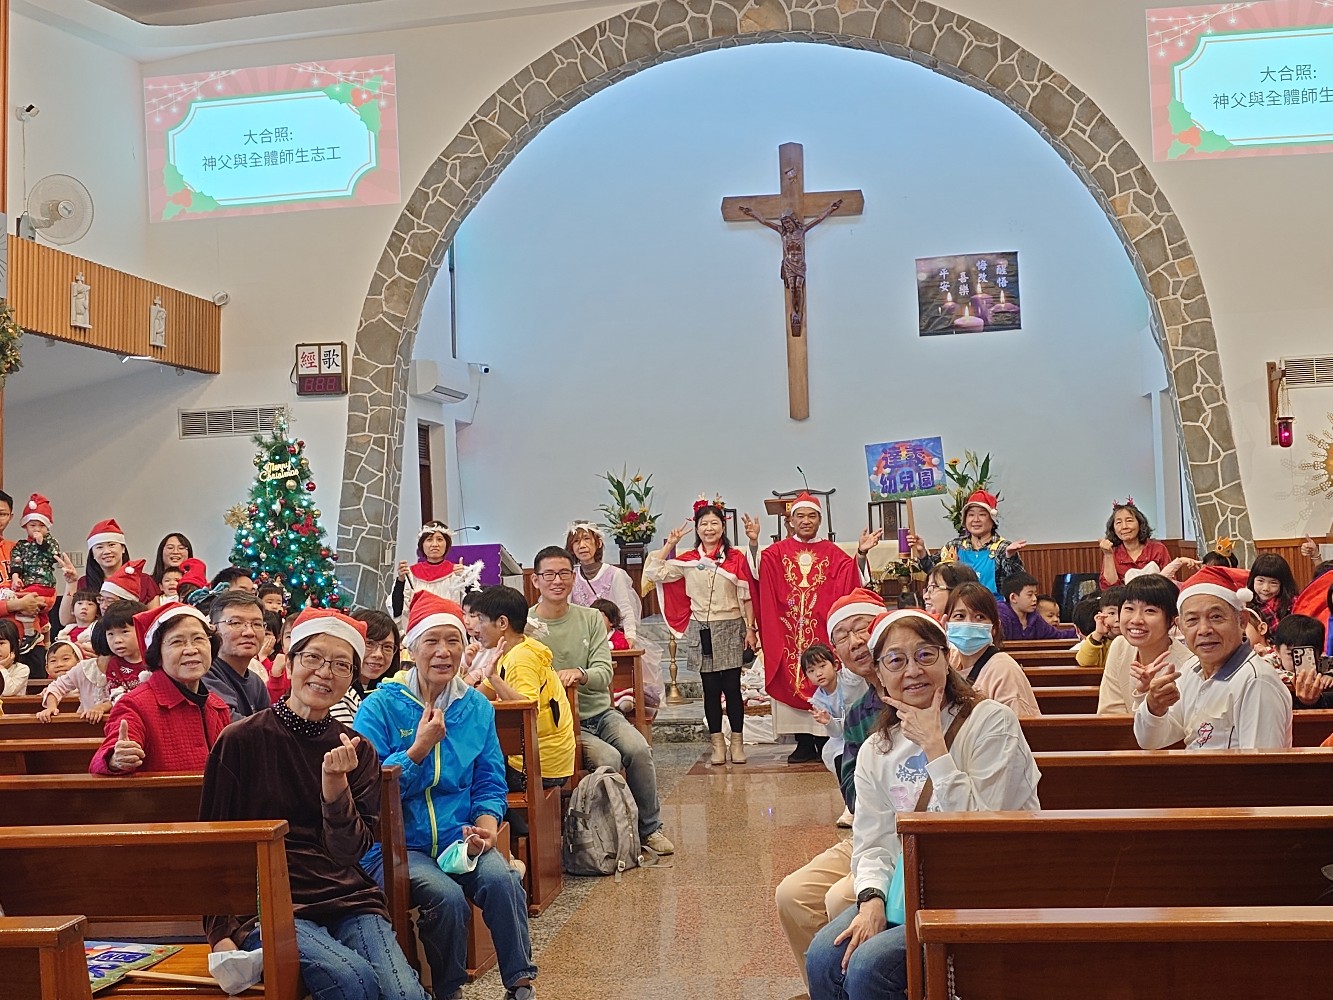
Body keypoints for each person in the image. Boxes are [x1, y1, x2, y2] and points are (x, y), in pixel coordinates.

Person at [805, 608, 1041, 1000]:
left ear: (947, 659)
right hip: (912, 890)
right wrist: (871, 900)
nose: (913, 670)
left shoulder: (992, 723)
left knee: (868, 968)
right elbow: (873, 841)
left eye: (925, 655)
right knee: (822, 959)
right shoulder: (878, 748)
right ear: (879, 675)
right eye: (896, 660)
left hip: (988, 887)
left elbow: (986, 829)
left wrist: (935, 747)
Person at [200, 607, 429, 1000]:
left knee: (404, 992)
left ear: (351, 678)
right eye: (313, 658)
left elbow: (349, 853)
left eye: (341, 665)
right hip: (269, 903)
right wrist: (220, 933)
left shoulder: (357, 749)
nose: (325, 672)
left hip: (349, 898)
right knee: (353, 980)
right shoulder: (241, 740)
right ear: (290, 663)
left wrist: (335, 789)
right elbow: (213, 845)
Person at [354, 592, 536, 1000]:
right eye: (432, 641)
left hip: (459, 837)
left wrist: (486, 827)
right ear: (412, 648)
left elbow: (490, 779)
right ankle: (449, 990)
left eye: (453, 641)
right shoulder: (380, 706)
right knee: (446, 897)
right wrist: (418, 749)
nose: (443, 652)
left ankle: (521, 985)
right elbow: (369, 791)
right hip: (398, 845)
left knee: (503, 879)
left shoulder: (475, 707)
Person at [529, 544, 672, 854]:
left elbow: (604, 672)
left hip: (601, 712)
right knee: (609, 759)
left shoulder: (592, 618)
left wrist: (581, 674)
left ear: (573, 577)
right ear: (535, 580)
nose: (557, 580)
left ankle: (649, 829)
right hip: (562, 723)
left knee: (639, 750)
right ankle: (603, 838)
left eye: (564, 573)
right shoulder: (527, 625)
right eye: (549, 574)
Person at [775, 589, 885, 987]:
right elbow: (853, 795)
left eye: (863, 628)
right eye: (842, 635)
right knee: (791, 894)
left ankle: (857, 986)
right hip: (870, 832)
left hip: (906, 835)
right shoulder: (859, 712)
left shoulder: (916, 690)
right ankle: (823, 988)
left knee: (840, 898)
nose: (855, 641)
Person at [745, 493, 877, 763]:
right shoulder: (776, 552)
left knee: (824, 676)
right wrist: (754, 543)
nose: (806, 521)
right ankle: (803, 743)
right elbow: (757, 572)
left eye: (811, 516)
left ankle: (823, 737)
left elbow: (852, 576)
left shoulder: (833, 554)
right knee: (789, 678)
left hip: (820, 633)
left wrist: (862, 554)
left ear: (820, 520)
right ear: (791, 521)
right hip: (787, 631)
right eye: (800, 516)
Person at [647, 496, 757, 765]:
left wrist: (751, 629)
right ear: (697, 528)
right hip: (702, 630)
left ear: (723, 526)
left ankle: (737, 743)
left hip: (731, 626)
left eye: (714, 523)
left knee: (732, 688)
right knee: (710, 689)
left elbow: (747, 596)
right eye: (704, 524)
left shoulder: (735, 558)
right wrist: (670, 544)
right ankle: (717, 743)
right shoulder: (687, 561)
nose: (709, 528)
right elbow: (653, 572)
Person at [1134, 565, 1293, 750]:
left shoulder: (1256, 681)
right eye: (1192, 620)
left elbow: (1262, 764)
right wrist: (1154, 707)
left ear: (1242, 620)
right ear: (1180, 626)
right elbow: (1150, 741)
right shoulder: (1191, 669)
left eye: (1216, 617)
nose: (1204, 630)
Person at [89, 602, 231, 775]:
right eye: (177, 642)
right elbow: (101, 760)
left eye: (199, 639)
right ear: (157, 654)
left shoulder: (217, 705)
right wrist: (115, 760)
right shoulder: (134, 705)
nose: (191, 650)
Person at [471, 585, 575, 819]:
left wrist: (494, 678)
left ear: (502, 623)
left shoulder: (522, 656)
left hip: (538, 765)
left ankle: (513, 831)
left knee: (470, 779)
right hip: (535, 759)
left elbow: (527, 709)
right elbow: (478, 697)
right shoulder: (511, 651)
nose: (476, 629)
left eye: (481, 620)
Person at [1096, 573, 1192, 715]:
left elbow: (1172, 725)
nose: (1136, 620)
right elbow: (1110, 713)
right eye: (1129, 608)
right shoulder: (1120, 646)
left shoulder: (1187, 666)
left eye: (1150, 611)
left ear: (1172, 620)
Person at [943, 582, 1041, 717]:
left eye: (979, 617)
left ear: (994, 627)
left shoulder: (1004, 671)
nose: (968, 623)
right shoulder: (949, 662)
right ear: (946, 623)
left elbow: (1017, 725)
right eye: (959, 616)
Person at [910, 489, 1025, 599]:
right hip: (959, 607)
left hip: (993, 607)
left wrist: (1010, 556)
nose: (976, 520)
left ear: (992, 519)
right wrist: (922, 552)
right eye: (971, 515)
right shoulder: (955, 545)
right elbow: (935, 572)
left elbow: (1018, 582)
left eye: (982, 515)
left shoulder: (1003, 547)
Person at [388, 521, 483, 633]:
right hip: (420, 630)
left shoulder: (458, 572)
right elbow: (397, 610)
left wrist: (465, 580)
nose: (434, 544)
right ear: (422, 545)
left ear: (447, 544)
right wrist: (401, 580)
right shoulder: (410, 574)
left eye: (439, 539)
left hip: (451, 628)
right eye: (429, 540)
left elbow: (475, 606)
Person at [57, 519, 156, 627]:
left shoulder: (144, 581)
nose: (107, 551)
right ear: (92, 554)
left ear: (123, 548)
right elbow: (66, 621)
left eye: (111, 545)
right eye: (99, 547)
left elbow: (154, 621)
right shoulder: (84, 582)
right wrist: (71, 583)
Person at [567, 520, 640, 646]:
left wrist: (630, 636)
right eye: (576, 541)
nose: (582, 545)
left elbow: (626, 607)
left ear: (598, 543)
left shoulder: (615, 574)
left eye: (586, 539)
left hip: (611, 638)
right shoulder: (570, 576)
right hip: (581, 640)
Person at [802, 642, 866, 782]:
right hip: (845, 739)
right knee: (840, 762)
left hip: (868, 728)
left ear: (835, 665)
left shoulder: (849, 678)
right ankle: (848, 794)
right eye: (811, 671)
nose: (818, 673)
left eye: (822, 666)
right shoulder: (818, 700)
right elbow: (836, 733)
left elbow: (857, 667)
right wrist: (828, 722)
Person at [205, 591, 272, 719]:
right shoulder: (205, 674)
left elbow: (269, 724)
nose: (249, 632)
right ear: (213, 629)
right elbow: (227, 721)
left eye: (257, 624)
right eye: (236, 623)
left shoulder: (256, 682)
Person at [329, 609, 399, 725]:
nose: (378, 654)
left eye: (387, 647)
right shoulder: (338, 693)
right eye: (369, 643)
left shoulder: (394, 693)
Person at [9, 493, 61, 645]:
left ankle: (31, 634)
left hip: (44, 584)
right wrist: (15, 578)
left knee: (23, 603)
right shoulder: (20, 545)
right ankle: (44, 633)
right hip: (27, 583)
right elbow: (16, 562)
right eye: (32, 525)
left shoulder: (50, 542)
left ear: (47, 526)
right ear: (25, 526)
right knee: (34, 609)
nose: (37, 529)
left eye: (41, 525)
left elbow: (54, 557)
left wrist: (42, 543)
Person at [1099, 499, 1173, 588]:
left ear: (1140, 523)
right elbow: (1109, 589)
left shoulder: (1158, 549)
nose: (1124, 527)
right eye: (1118, 523)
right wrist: (1108, 555)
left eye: (1129, 521)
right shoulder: (1113, 553)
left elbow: (1170, 583)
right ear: (1113, 528)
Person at [37, 639, 111, 723]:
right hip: (86, 723)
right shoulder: (83, 669)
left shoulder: (122, 669)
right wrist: (51, 707)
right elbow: (56, 687)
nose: (59, 664)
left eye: (65, 659)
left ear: (79, 660)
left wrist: (102, 707)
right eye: (53, 661)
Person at [1270, 614, 1333, 709]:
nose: (1297, 662)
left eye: (1308, 654)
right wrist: (1291, 678)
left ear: (1319, 653)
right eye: (1291, 654)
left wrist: (1329, 675)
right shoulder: (1269, 663)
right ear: (1277, 651)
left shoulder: (1325, 663)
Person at [92, 600, 149, 699]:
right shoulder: (114, 665)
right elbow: (116, 695)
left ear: (142, 629)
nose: (117, 640)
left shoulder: (156, 659)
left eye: (124, 632)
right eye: (110, 634)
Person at [997, 572, 1076, 641]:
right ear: (1013, 598)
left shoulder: (1035, 618)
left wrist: (1080, 631)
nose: (1035, 599)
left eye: (1035, 594)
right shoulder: (1000, 619)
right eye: (1030, 595)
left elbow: (1057, 636)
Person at [1075, 585, 1126, 670]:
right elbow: (1084, 662)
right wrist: (1098, 633)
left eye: (1122, 613)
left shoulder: (1136, 640)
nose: (1117, 619)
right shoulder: (1097, 640)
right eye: (1111, 613)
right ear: (1101, 615)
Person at [1248, 552, 1297, 633]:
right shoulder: (1247, 605)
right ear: (1252, 580)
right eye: (1260, 581)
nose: (1266, 588)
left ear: (1283, 584)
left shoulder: (1293, 603)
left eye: (1273, 583)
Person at [0, 619, 30, 696]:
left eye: (1, 643)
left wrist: (1, 668)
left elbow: (7, 692)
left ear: (15, 644)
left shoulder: (22, 669)